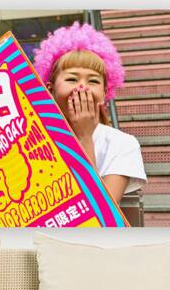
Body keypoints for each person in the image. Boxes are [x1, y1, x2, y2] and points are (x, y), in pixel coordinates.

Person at [33, 22, 146, 210]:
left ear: (104, 92)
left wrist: (84, 138)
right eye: (72, 79)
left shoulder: (122, 144)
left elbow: (103, 212)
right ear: (50, 88)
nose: (82, 87)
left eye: (93, 81)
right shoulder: (30, 138)